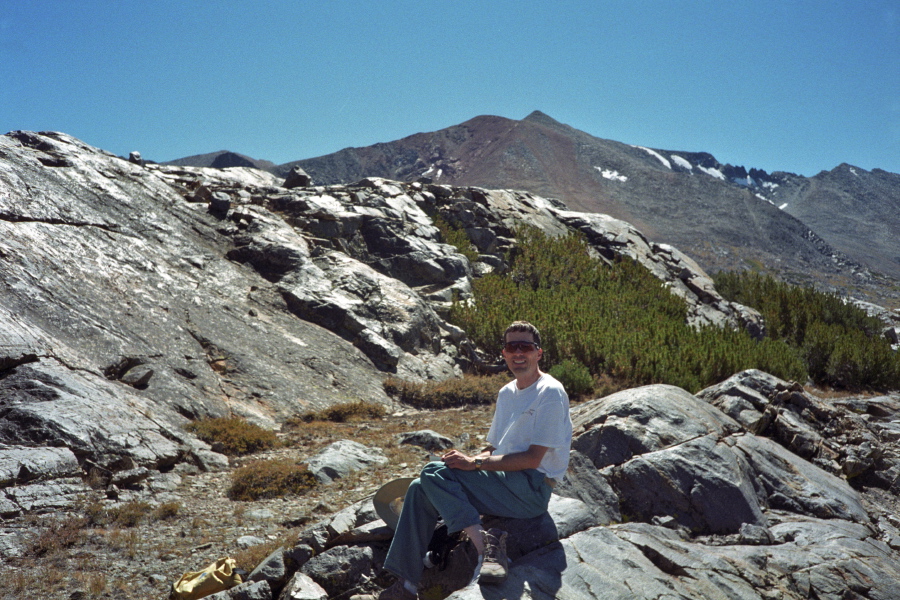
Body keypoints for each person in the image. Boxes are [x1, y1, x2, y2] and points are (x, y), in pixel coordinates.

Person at [376, 321, 573, 600]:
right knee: (419, 487)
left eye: (525, 347)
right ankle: (406, 585)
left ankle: (487, 550)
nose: (518, 353)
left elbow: (532, 458)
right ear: (503, 353)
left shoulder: (549, 392)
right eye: (510, 347)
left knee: (432, 474)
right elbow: (493, 448)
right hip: (505, 482)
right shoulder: (507, 393)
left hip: (532, 489)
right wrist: (467, 460)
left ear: (538, 353)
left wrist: (476, 465)